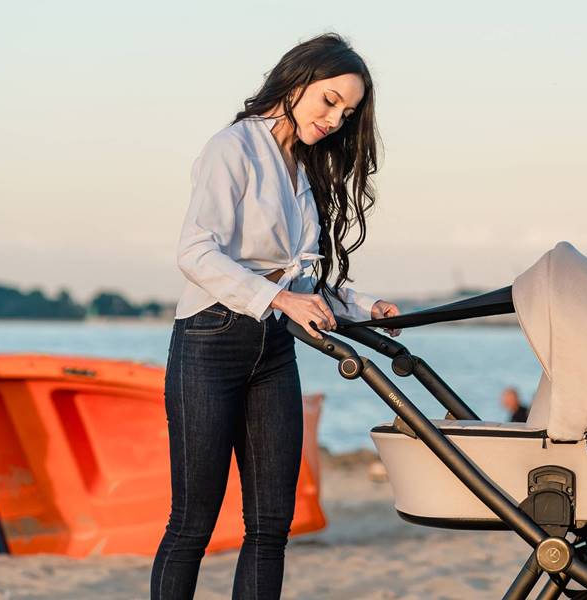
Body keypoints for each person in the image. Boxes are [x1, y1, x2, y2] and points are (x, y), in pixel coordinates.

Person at [150, 34, 401, 599]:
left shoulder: (302, 170)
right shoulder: (232, 148)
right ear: (297, 80)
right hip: (209, 343)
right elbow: (195, 252)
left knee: (270, 528)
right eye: (330, 101)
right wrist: (282, 300)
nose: (337, 119)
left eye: (349, 111)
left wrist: (365, 307)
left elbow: (299, 278)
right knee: (192, 524)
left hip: (273, 353)